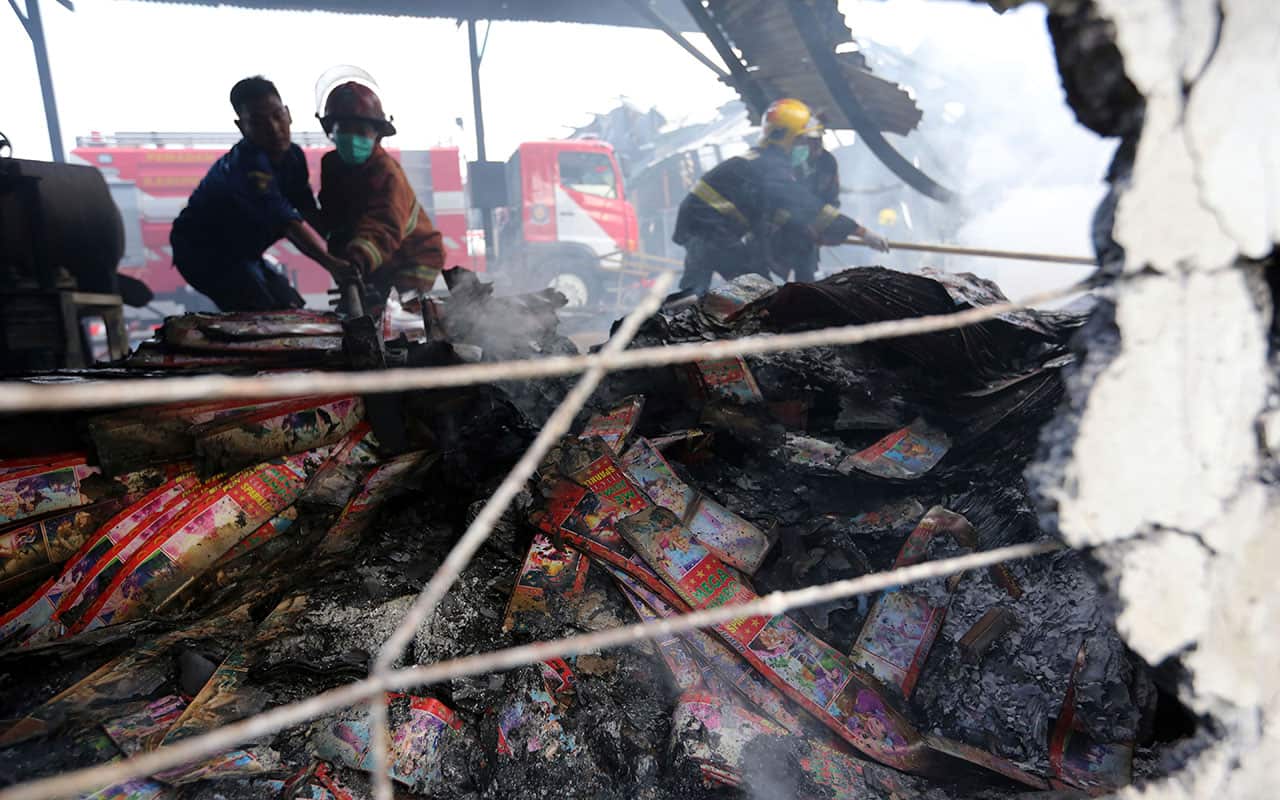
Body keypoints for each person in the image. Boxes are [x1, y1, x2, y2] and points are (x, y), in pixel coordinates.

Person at [671, 98, 889, 296]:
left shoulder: (762, 160)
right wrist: (861, 232)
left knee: (692, 294)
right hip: (713, 230)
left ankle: (669, 326)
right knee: (758, 290)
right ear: (789, 140)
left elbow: (777, 212)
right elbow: (807, 206)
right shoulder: (773, 169)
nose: (812, 148)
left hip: (698, 227)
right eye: (806, 141)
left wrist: (811, 231)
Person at [170, 76, 349, 311]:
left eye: (277, 116)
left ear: (288, 113)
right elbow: (289, 223)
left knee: (290, 306)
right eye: (258, 122)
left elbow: (308, 214)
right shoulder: (246, 167)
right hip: (201, 254)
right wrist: (333, 265)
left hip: (244, 254)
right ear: (241, 126)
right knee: (263, 313)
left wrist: (343, 252)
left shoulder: (294, 157)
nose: (274, 129)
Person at [315, 81, 445, 305]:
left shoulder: (386, 172)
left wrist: (355, 261)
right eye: (344, 129)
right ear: (331, 132)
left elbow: (383, 225)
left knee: (400, 322)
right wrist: (345, 266)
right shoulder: (332, 166)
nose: (352, 137)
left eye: (361, 130)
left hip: (414, 257)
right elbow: (336, 224)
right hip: (374, 259)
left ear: (377, 134)